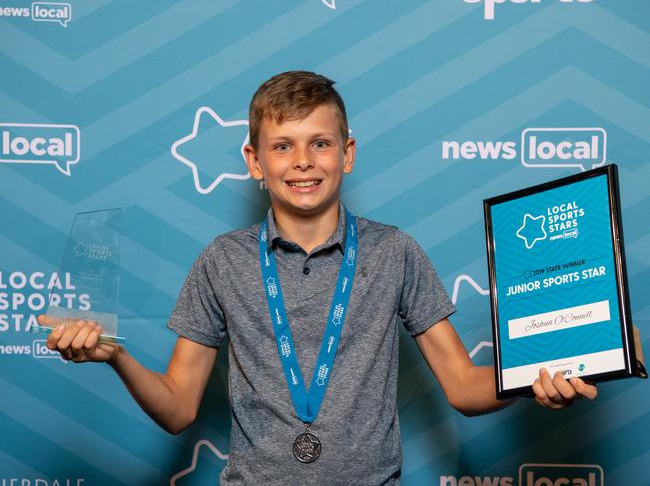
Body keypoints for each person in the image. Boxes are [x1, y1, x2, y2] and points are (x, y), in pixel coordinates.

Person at [40, 71, 597, 485]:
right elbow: (179, 407)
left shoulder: (395, 252)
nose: (303, 160)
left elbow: (464, 387)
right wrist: (116, 356)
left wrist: (537, 371)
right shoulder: (223, 260)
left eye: (320, 143)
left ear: (347, 154)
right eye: (282, 146)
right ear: (255, 162)